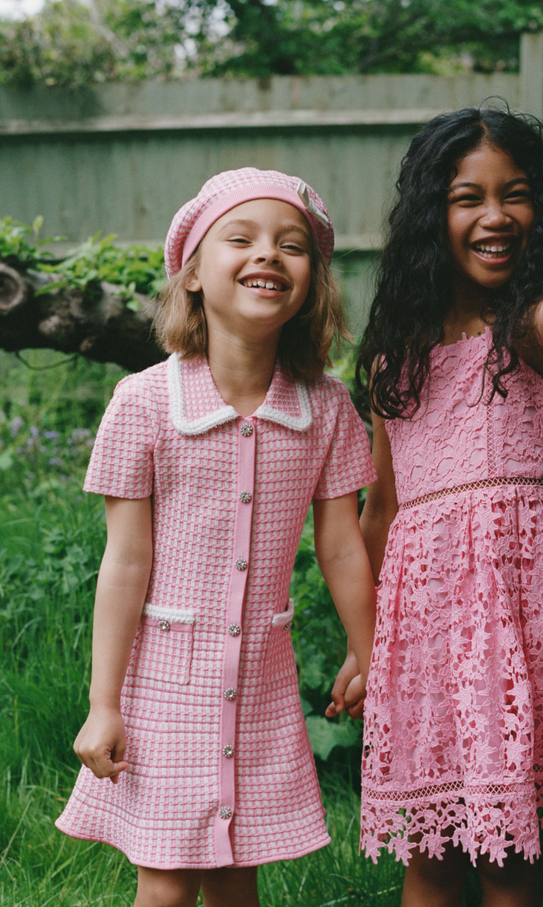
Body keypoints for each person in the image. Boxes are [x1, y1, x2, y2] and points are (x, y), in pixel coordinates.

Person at [328, 107, 543, 907]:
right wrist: (364, 645)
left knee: (508, 856)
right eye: (466, 196)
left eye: (514, 195)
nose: (495, 215)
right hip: (425, 635)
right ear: (429, 214)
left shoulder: (531, 329)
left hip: (518, 628)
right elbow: (382, 512)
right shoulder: (393, 355)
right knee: (434, 853)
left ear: (540, 209)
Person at [56, 168, 377, 907]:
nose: (268, 255)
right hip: (165, 686)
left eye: (291, 245)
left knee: (239, 876)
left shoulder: (325, 407)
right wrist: (104, 703)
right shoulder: (142, 404)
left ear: (312, 282)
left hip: (261, 685)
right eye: (242, 238)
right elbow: (126, 561)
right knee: (166, 885)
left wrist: (370, 651)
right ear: (194, 272)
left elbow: (341, 545)